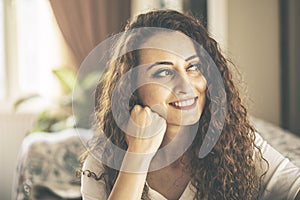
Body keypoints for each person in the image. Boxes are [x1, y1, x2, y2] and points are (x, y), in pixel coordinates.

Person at [80, 10, 300, 199]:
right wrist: (138, 154)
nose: (186, 85)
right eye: (164, 72)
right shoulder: (101, 164)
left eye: (193, 67)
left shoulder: (237, 145)